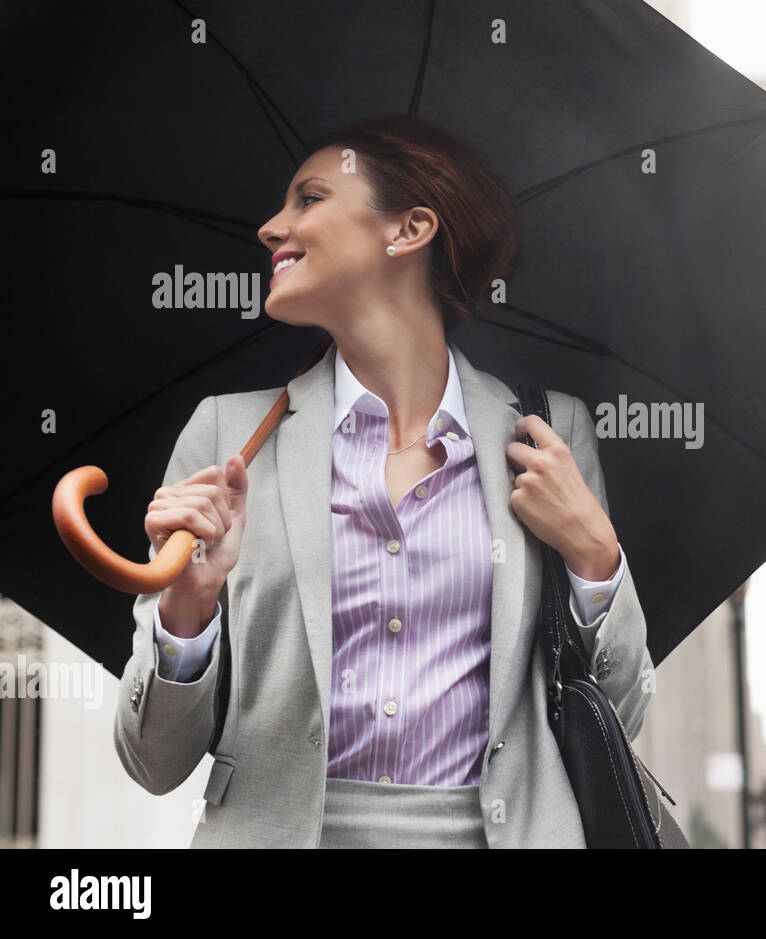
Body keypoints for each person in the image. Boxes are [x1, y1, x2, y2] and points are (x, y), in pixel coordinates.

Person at [113, 115, 656, 848]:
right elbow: (153, 760)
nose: (272, 227)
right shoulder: (228, 439)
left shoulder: (548, 434)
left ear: (409, 229)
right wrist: (190, 601)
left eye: (309, 198)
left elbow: (617, 717)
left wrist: (596, 559)